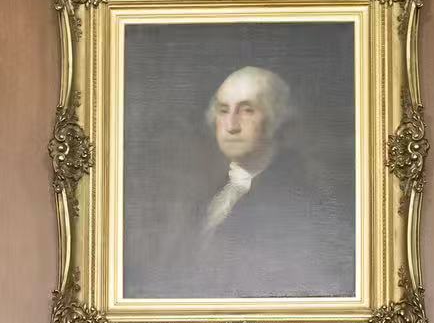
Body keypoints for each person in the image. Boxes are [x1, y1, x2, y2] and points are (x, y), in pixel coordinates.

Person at [128, 65, 354, 300]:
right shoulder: (213, 194)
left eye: (247, 110)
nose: (231, 125)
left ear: (277, 120)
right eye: (223, 110)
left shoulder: (302, 201)